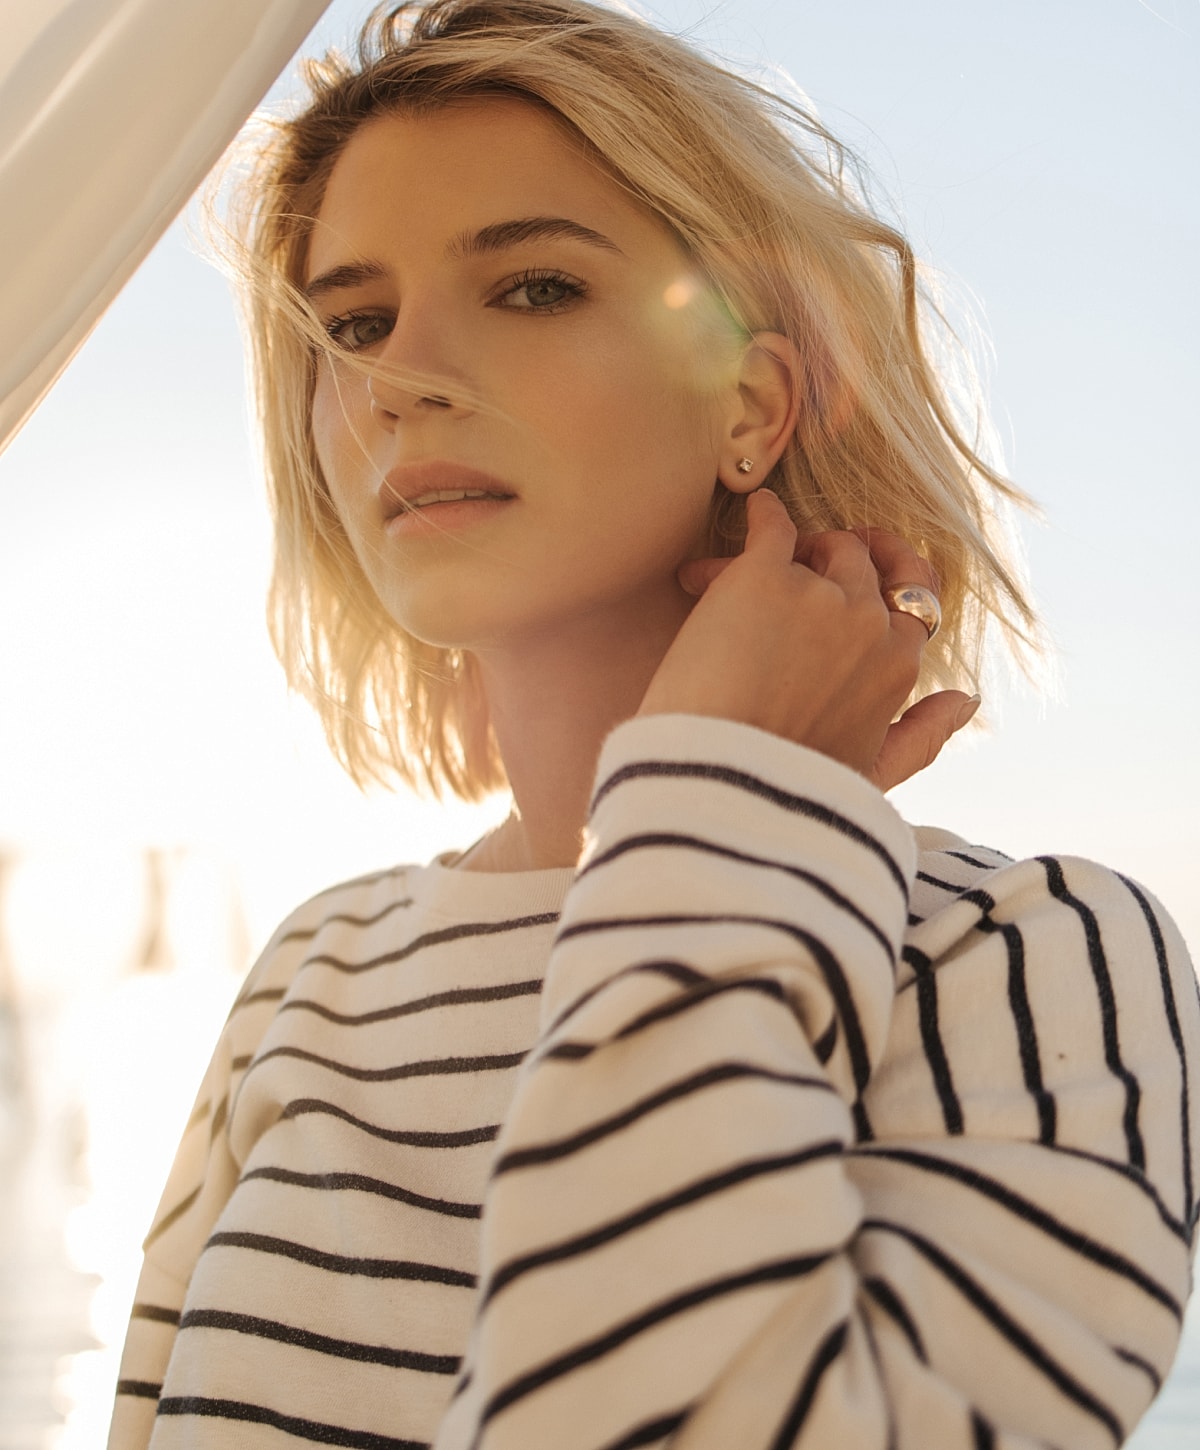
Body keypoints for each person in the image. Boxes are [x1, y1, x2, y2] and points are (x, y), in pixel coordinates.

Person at [107, 2, 1200, 1446]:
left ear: (749, 404)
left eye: (534, 286)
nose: (396, 376)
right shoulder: (315, 972)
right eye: (354, 320)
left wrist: (719, 820)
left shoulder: (1027, 954)